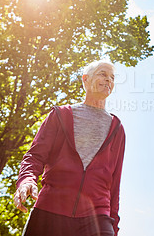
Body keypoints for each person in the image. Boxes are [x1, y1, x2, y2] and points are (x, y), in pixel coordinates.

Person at [14, 60, 125, 236]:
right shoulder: (61, 115)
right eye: (103, 74)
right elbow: (34, 156)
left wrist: (114, 228)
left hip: (97, 217)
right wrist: (27, 180)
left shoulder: (117, 128)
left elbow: (114, 184)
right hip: (51, 208)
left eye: (112, 77)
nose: (109, 80)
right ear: (86, 80)